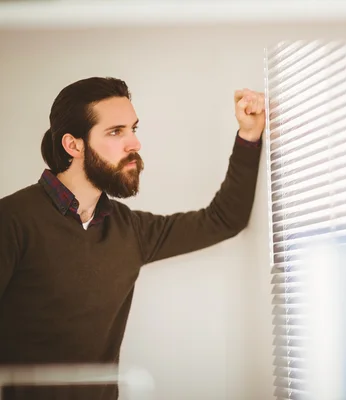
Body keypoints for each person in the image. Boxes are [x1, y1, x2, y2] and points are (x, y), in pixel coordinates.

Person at [0, 77, 265, 399]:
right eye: (115, 132)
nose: (134, 144)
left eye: (133, 129)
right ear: (74, 145)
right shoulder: (12, 220)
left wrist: (249, 136)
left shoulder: (129, 229)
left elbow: (223, 220)